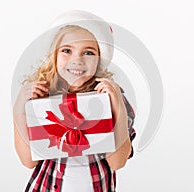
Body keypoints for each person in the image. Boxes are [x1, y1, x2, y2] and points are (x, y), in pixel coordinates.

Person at [13, 10, 136, 192]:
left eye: (88, 52)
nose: (76, 60)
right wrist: (19, 110)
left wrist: (117, 106)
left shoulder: (110, 98)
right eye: (67, 50)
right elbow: (28, 161)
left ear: (99, 61)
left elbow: (117, 162)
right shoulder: (41, 96)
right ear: (54, 56)